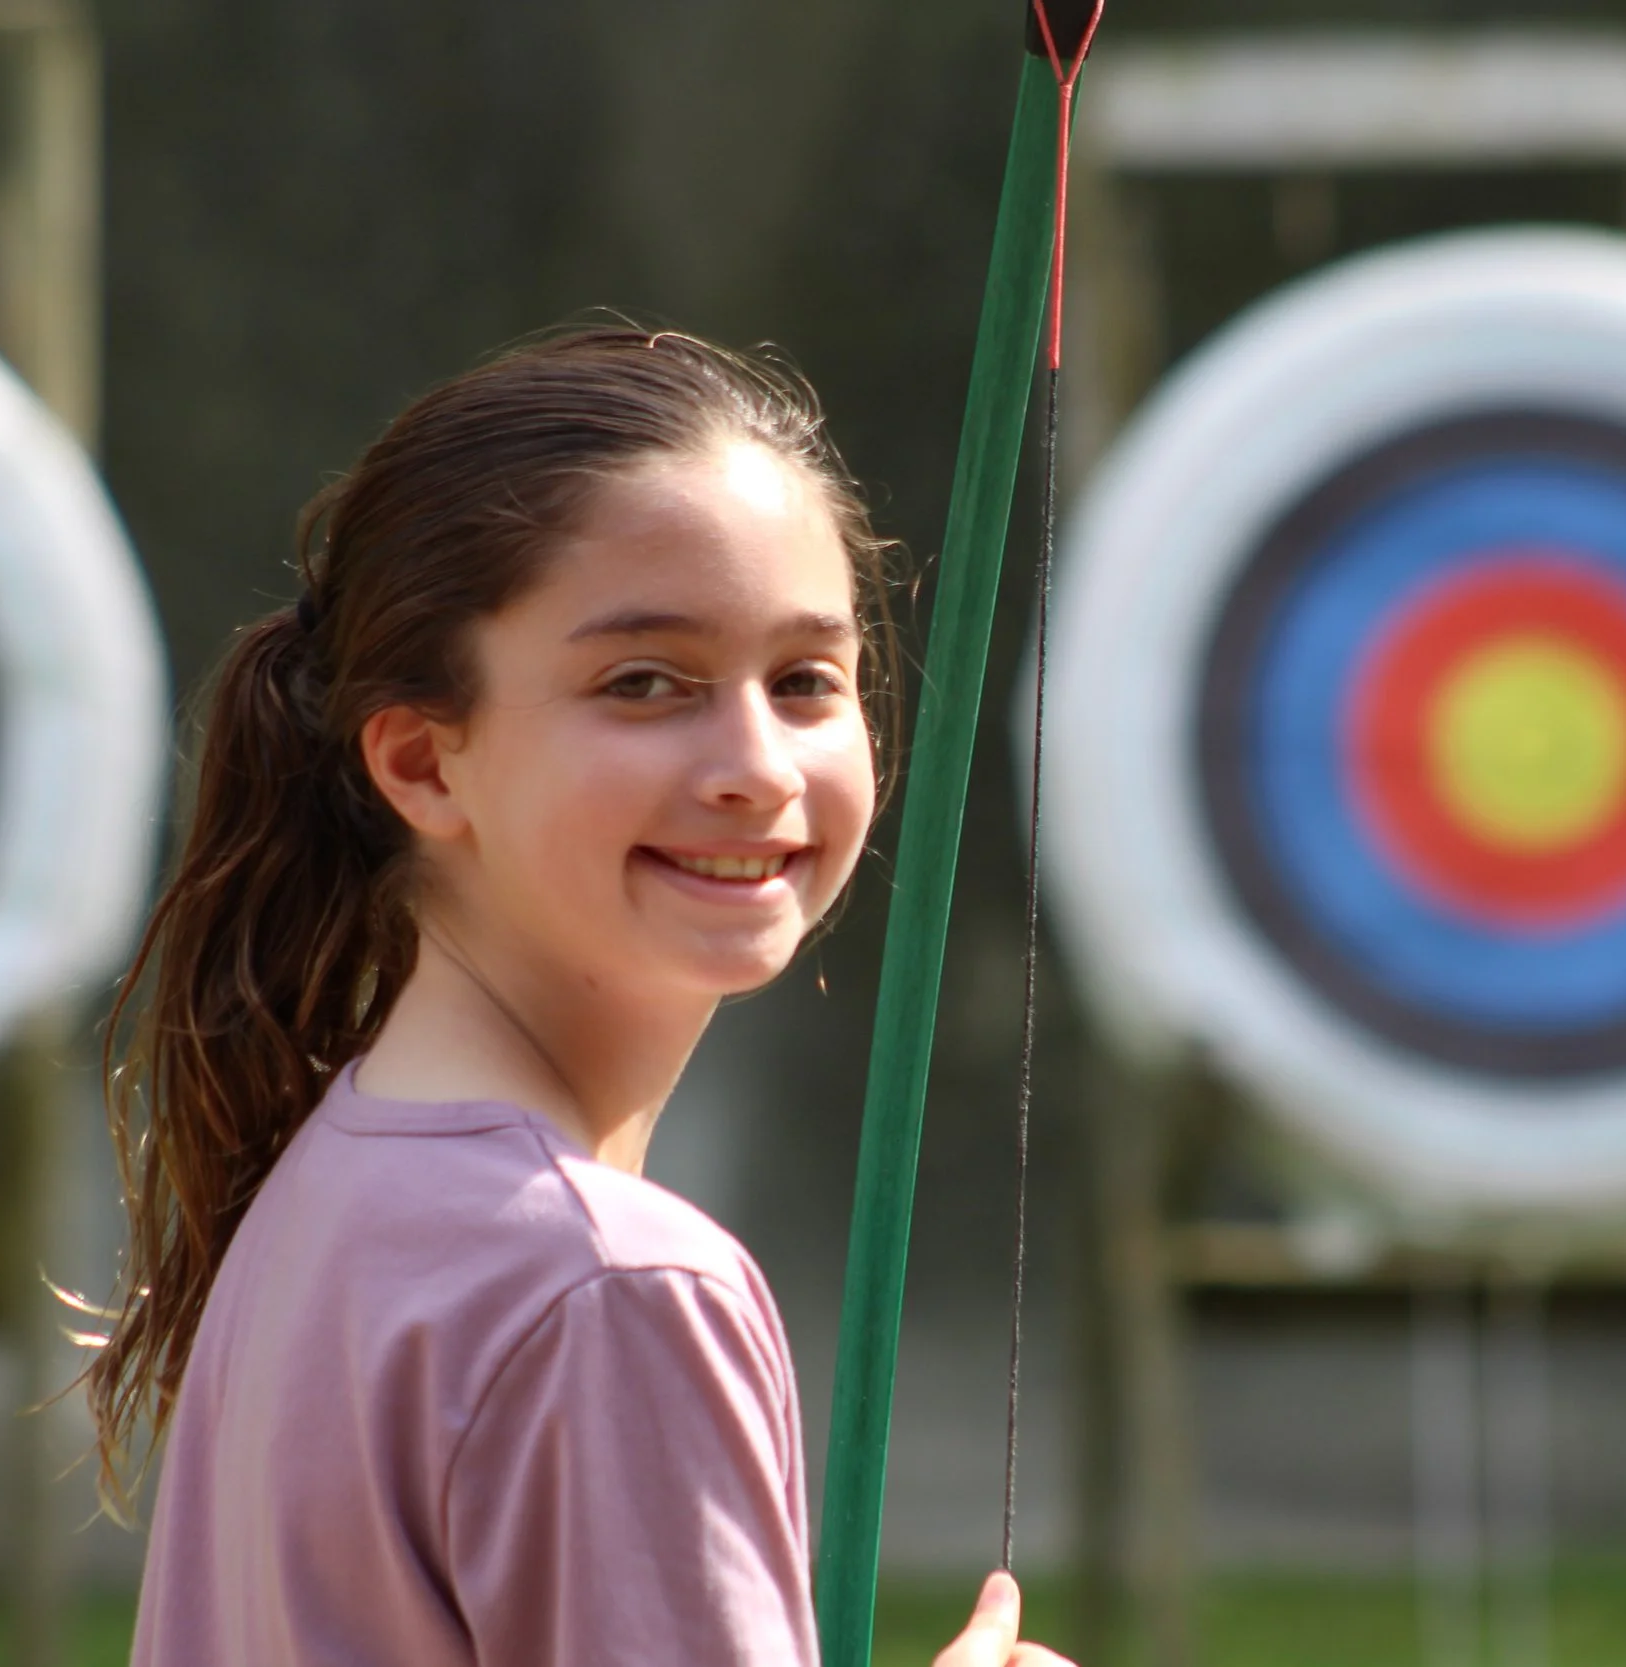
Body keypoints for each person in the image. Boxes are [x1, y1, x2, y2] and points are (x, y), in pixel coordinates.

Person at [88, 324, 1078, 1667]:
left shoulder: (342, 1187)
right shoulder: (608, 1288)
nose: (757, 766)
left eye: (804, 681)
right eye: (644, 683)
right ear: (425, 764)